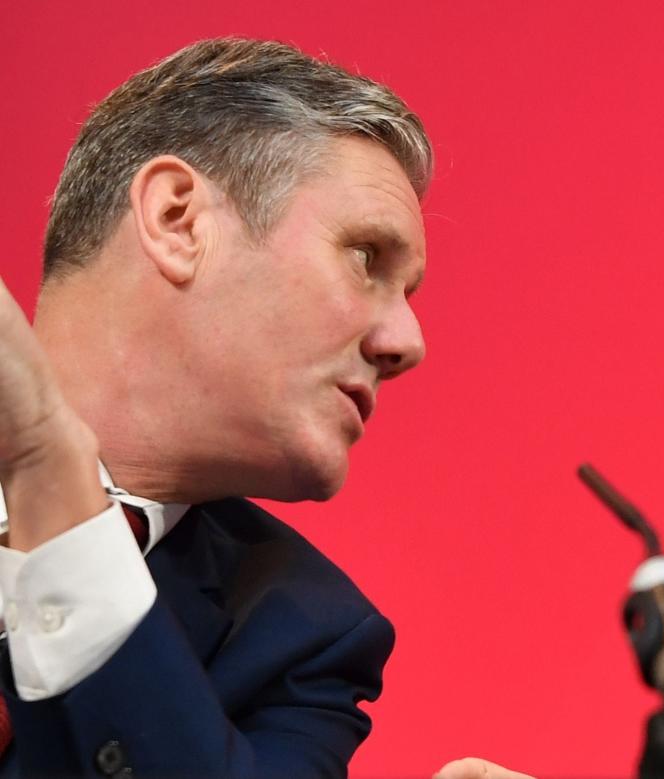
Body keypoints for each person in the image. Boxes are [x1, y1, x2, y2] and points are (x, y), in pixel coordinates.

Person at [0, 37, 440, 777]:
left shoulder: (310, 640)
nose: (408, 341)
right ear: (179, 221)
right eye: (368, 257)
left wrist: (53, 477)